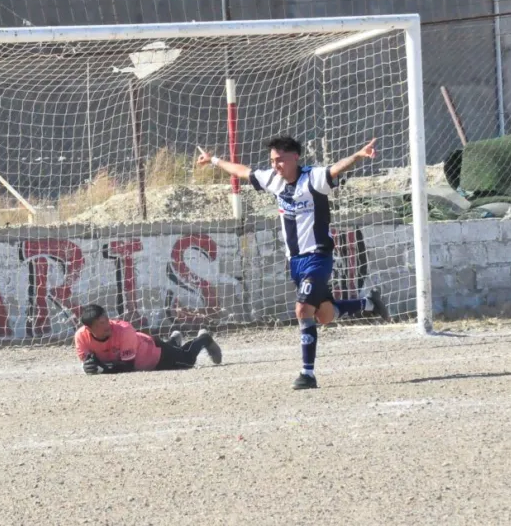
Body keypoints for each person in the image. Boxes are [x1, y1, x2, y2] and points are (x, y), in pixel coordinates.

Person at [197, 135, 386, 390]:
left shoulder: (313, 179)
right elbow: (244, 172)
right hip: (295, 262)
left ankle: (307, 374)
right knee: (324, 316)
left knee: (302, 311)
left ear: (295, 157)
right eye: (272, 161)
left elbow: (336, 168)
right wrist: (214, 161)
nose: (276, 165)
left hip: (318, 257)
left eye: (280, 160)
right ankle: (370, 303)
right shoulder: (274, 181)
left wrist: (358, 156)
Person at [75, 304, 222, 374]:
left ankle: (204, 338)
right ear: (89, 329)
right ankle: (174, 341)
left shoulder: (124, 331)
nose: (107, 325)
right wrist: (87, 367)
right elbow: (88, 361)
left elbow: (128, 367)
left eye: (106, 319)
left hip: (155, 354)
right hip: (142, 347)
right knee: (177, 351)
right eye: (101, 324)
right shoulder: (81, 336)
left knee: (188, 360)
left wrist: (103, 370)